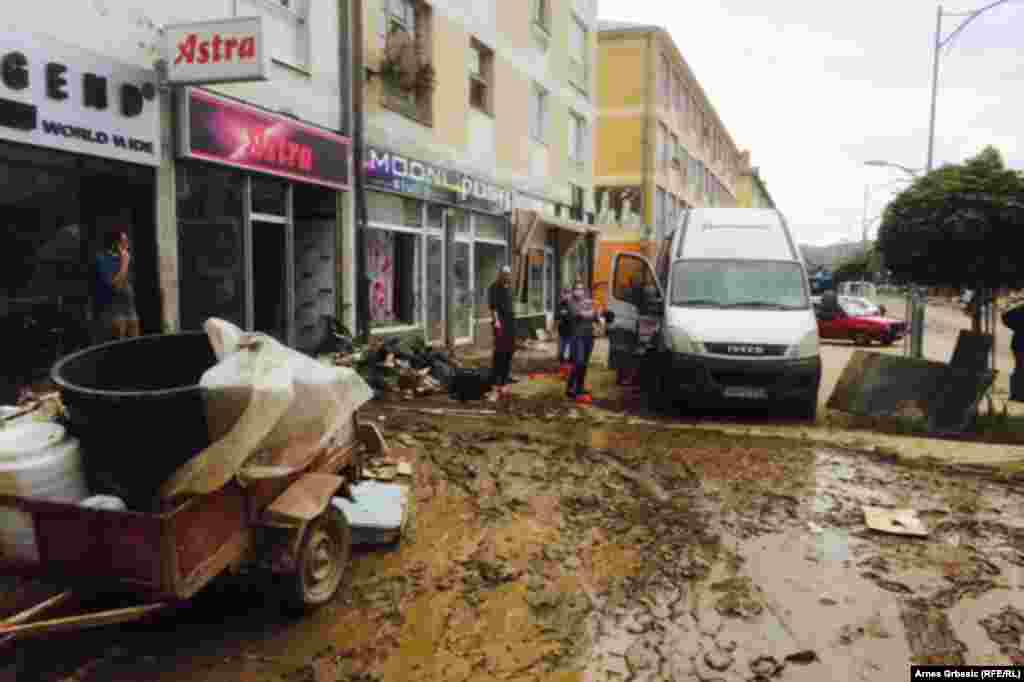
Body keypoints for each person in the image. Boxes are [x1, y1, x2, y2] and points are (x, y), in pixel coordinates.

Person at [94, 229, 139, 341]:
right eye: (124, 241)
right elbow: (115, 286)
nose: (127, 244)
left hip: (130, 309)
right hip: (114, 311)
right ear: (116, 243)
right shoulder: (103, 259)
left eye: (127, 241)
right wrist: (124, 262)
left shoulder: (128, 258)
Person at [565, 280, 598, 403]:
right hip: (577, 336)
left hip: (589, 336)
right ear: (573, 291)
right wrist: (590, 312)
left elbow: (595, 315)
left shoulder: (586, 301)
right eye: (577, 289)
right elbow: (578, 314)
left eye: (581, 289)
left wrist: (592, 312)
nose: (579, 291)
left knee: (584, 364)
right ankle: (570, 387)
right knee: (578, 362)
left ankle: (579, 388)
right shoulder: (571, 302)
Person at [488, 265, 516, 401]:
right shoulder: (494, 288)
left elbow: (511, 306)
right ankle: (495, 385)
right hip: (501, 324)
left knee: (509, 353)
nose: (506, 276)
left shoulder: (509, 288)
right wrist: (497, 322)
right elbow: (493, 308)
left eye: (508, 274)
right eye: (504, 274)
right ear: (500, 274)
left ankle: (504, 383)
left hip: (511, 324)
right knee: (499, 353)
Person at [1003, 299, 1024, 401]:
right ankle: (1017, 395)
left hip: (1018, 343)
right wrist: (1019, 327)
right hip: (1020, 344)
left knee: (1019, 369)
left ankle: (1017, 394)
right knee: (1020, 369)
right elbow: (1006, 317)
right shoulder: (1021, 308)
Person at [557, 288, 573, 377]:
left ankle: (569, 372)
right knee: (561, 353)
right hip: (562, 332)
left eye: (568, 293)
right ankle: (562, 371)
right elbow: (557, 316)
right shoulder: (560, 304)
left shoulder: (573, 305)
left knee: (570, 353)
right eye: (564, 293)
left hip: (571, 332)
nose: (566, 295)